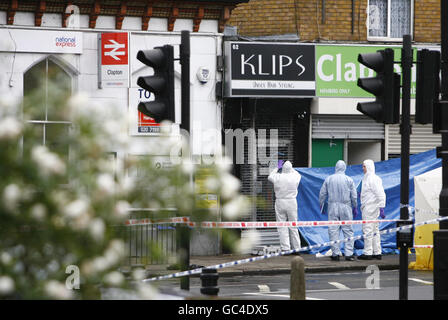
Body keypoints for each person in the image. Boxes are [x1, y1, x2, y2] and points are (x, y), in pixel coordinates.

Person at [319, 160, 358, 261]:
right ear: (344, 167)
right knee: (348, 230)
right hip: (346, 206)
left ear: (335, 167)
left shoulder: (329, 179)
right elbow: (354, 195)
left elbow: (322, 194)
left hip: (332, 207)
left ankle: (335, 254)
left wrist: (322, 205)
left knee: (333, 230)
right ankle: (349, 254)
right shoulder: (349, 179)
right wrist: (355, 206)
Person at [268, 160, 302, 254]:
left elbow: (270, 176)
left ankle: (285, 248)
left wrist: (277, 168)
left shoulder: (278, 177)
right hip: (292, 202)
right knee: (293, 226)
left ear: (282, 169)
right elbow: (297, 173)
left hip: (280, 201)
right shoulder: (295, 177)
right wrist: (290, 168)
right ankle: (297, 248)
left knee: (282, 226)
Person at [358, 159, 386, 260]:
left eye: (364, 166)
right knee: (374, 230)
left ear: (368, 166)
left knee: (368, 229)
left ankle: (368, 252)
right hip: (370, 207)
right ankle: (377, 252)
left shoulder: (372, 179)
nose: (363, 168)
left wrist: (382, 206)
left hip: (370, 207)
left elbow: (380, 193)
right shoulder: (366, 178)